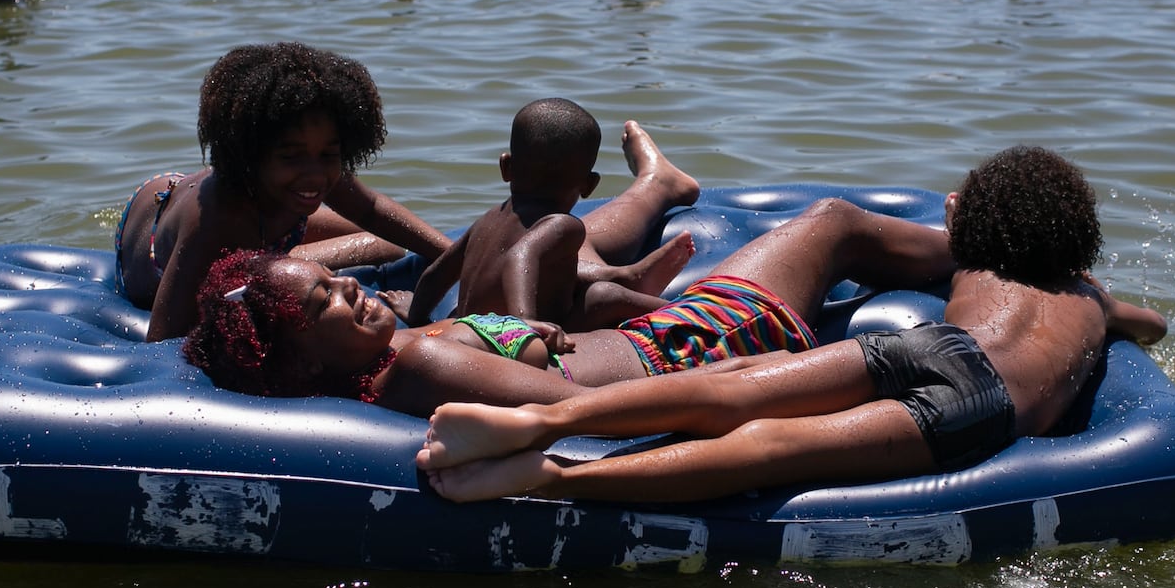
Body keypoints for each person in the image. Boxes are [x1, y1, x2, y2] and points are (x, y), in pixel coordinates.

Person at [416, 146, 1169, 504]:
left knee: (733, 384)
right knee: (770, 450)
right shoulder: (1091, 299)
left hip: (934, 344)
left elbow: (936, 245)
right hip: (985, 396)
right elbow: (1153, 323)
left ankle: (540, 422)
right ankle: (551, 478)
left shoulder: (978, 263)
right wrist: (1104, 317)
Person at [185, 174, 951, 415]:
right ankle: (981, 246)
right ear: (301, 361)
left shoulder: (398, 355)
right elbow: (572, 411)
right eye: (325, 301)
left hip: (679, 334)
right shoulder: (417, 370)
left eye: (333, 276)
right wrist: (740, 380)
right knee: (833, 221)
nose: (349, 286)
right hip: (709, 340)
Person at [116, 42, 453, 342]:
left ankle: (279, 261)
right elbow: (163, 339)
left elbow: (371, 209)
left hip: (245, 203)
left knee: (388, 245)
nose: (315, 173)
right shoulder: (218, 222)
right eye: (291, 156)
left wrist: (456, 258)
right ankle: (279, 262)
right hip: (152, 226)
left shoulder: (309, 172)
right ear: (250, 154)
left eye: (329, 155)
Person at [403, 101, 696, 332]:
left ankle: (626, 276)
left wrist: (417, 318)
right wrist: (524, 325)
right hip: (507, 340)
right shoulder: (563, 224)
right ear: (589, 185)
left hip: (469, 328)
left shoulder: (489, 219)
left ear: (506, 167)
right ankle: (681, 312)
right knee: (603, 296)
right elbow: (520, 256)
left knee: (562, 271)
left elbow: (435, 274)